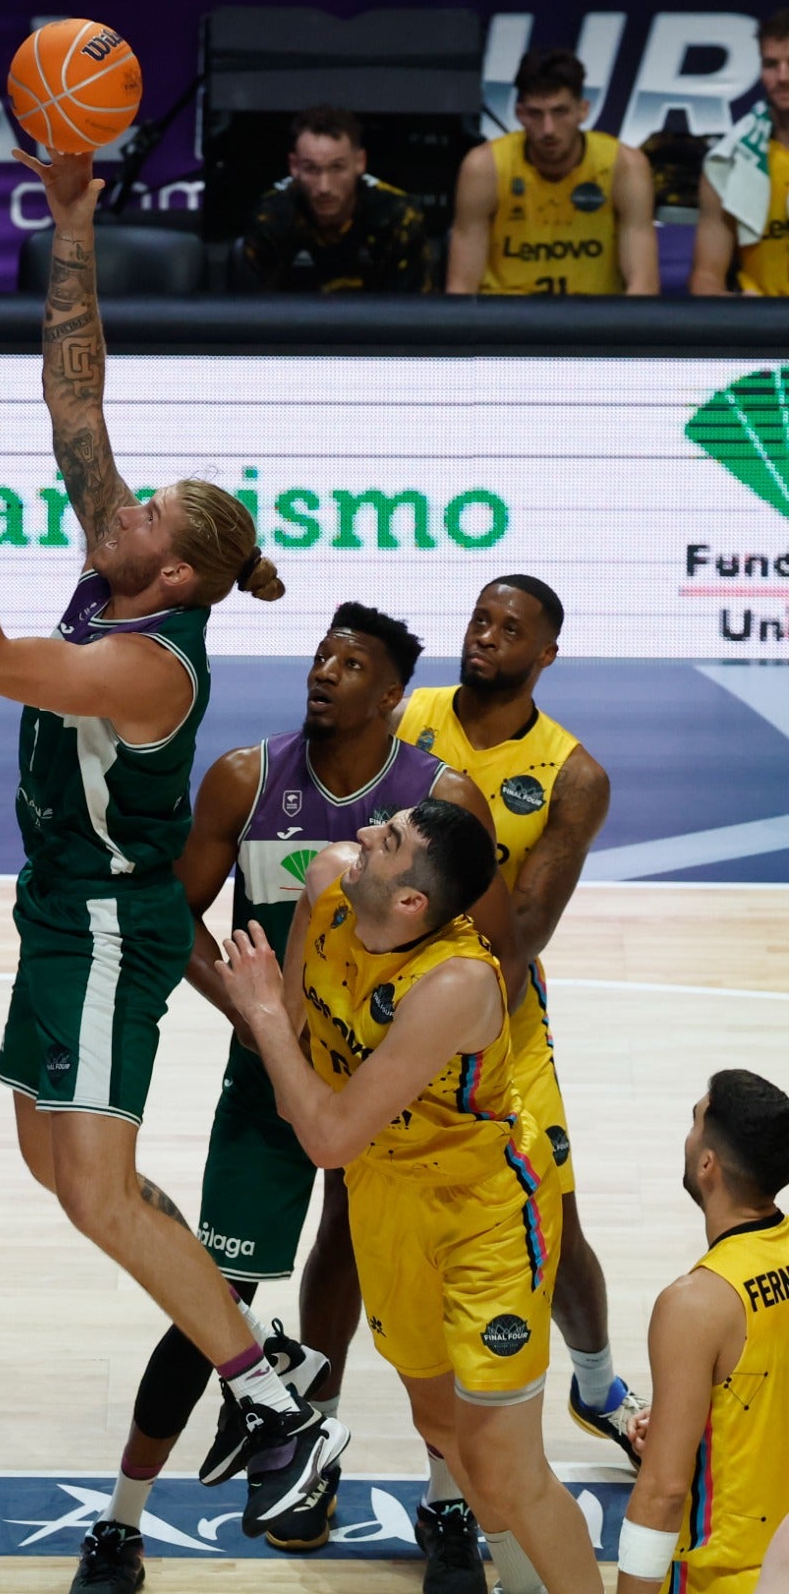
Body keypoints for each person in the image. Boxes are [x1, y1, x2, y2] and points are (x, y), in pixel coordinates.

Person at [0, 146, 350, 1550]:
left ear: (174, 579)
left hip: (107, 924)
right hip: (59, 912)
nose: (119, 506)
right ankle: (255, 1356)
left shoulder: (150, 668)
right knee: (63, 1176)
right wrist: (76, 216)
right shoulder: (133, 563)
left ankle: (276, 1394)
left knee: (95, 1187)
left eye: (145, 516)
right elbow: (75, 394)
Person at [70, 602, 525, 1592]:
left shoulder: (436, 798)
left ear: (393, 694)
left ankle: (444, 1506)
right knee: (213, 1296)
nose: (324, 671)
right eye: (321, 654)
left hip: (396, 1094)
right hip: (270, 1078)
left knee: (412, 1305)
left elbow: (494, 944)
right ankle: (120, 1525)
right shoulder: (248, 776)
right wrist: (250, 1012)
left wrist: (472, 1060)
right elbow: (167, 909)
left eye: (350, 661)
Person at [218, 798, 604, 1594]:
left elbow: (320, 1125)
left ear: (410, 902)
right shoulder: (327, 882)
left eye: (385, 839)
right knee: (440, 1427)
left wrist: (257, 1017)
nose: (360, 834)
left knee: (509, 1470)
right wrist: (276, 1034)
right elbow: (296, 1050)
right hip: (384, 1197)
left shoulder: (457, 983)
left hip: (483, 1217)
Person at [392, 579, 646, 1536]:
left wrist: (424, 972)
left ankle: (596, 1384)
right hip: (377, 1012)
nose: (486, 637)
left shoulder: (572, 774)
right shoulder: (404, 714)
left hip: (499, 1022)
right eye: (479, 620)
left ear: (545, 655)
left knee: (556, 1222)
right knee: (361, 1226)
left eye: (510, 629)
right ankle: (325, 1432)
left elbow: (527, 927)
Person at [617, 1070, 789, 1594]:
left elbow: (664, 1493)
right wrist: (681, 1427)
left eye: (695, 1121)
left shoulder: (693, 1304)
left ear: (707, 1164)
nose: (688, 1134)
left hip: (724, 1579)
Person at [446, 47, 658, 295]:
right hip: (506, 323)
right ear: (520, 113)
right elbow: (461, 287)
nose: (548, 129)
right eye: (536, 113)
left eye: (560, 112)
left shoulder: (625, 166)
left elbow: (643, 286)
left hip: (594, 323)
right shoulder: (484, 167)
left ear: (583, 110)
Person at [237, 104, 428, 293]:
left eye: (337, 168)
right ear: (294, 166)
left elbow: (415, 314)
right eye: (311, 169)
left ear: (360, 162)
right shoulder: (271, 218)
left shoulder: (397, 216)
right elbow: (254, 315)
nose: (324, 187)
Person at [690, 10, 789, 295]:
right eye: (771, 64)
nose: (782, 77)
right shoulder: (727, 161)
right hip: (761, 328)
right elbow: (706, 279)